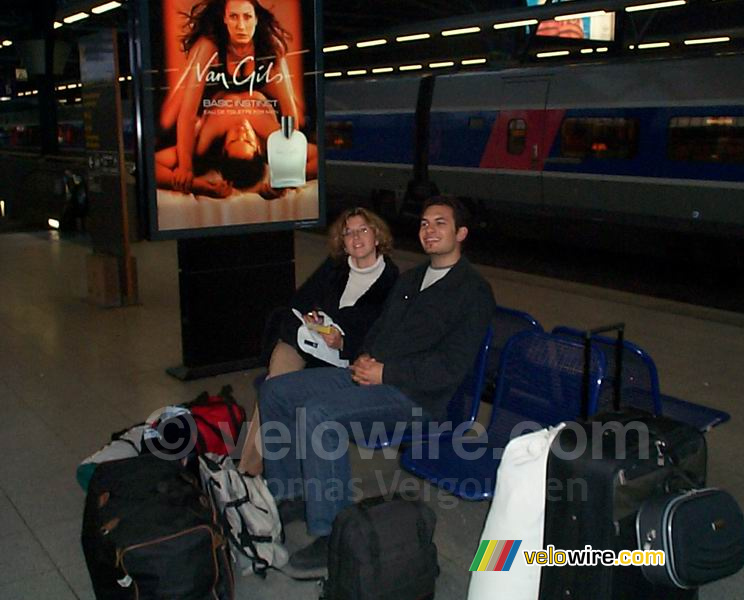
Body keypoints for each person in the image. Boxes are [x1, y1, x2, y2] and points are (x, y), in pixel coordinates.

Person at [257, 196, 495, 575]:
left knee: (320, 416)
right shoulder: (413, 278)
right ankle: (290, 494)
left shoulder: (472, 292)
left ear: (461, 233)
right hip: (374, 376)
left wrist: (386, 373)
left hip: (416, 399)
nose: (428, 230)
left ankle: (332, 533)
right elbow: (381, 331)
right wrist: (362, 355)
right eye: (423, 223)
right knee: (276, 392)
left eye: (440, 223)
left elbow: (450, 367)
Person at [237, 207, 399, 475]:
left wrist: (343, 340)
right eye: (348, 233)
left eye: (363, 230)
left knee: (277, 390)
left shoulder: (392, 281)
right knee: (276, 382)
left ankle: (253, 472)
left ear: (377, 237)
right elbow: (300, 301)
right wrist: (314, 318)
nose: (356, 238)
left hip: (346, 358)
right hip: (308, 343)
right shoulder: (334, 267)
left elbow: (381, 333)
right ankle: (254, 470)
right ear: (342, 241)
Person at [159, 0, 302, 193]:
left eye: (247, 17)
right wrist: (287, 169)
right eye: (234, 17)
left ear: (256, 19)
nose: (241, 26)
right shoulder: (271, 137)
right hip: (225, 97)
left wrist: (190, 175)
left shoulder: (203, 146)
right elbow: (289, 114)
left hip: (209, 107)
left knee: (172, 115)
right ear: (224, 19)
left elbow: (186, 117)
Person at [155, 89, 318, 196]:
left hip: (216, 86)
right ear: (259, 148)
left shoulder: (203, 146)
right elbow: (318, 157)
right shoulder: (275, 142)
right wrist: (286, 179)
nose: (241, 129)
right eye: (248, 139)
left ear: (223, 147)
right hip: (263, 83)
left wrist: (197, 185)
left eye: (234, 139)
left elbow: (153, 165)